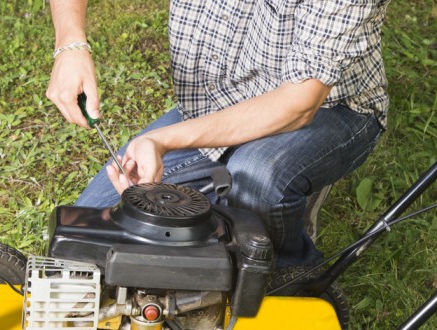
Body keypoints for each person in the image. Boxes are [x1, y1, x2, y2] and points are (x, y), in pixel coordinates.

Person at [46, 0, 391, 267]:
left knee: (258, 177)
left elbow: (298, 104)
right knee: (89, 237)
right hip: (213, 103)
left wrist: (163, 141)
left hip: (328, 109)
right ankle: (231, 204)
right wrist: (70, 44)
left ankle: (290, 272)